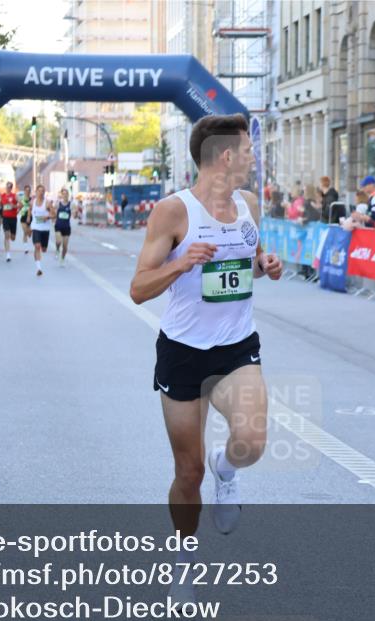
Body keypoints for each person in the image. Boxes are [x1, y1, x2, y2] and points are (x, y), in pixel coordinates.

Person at [129, 114, 281, 583]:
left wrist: (266, 265)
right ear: (227, 156)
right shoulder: (173, 212)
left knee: (251, 443)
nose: (254, 158)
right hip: (183, 351)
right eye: (249, 150)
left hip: (236, 346)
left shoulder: (248, 204)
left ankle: (226, 469)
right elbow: (138, 288)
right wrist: (180, 265)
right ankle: (184, 562)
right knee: (188, 473)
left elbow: (249, 265)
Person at [29, 184, 52, 276]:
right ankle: (39, 268)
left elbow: (54, 214)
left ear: (44, 192)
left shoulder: (47, 203)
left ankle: (42, 250)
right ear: (36, 192)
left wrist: (48, 217)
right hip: (36, 227)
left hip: (45, 229)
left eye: (42, 191)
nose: (41, 192)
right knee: (37, 246)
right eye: (39, 191)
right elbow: (29, 210)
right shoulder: (32, 202)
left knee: (44, 249)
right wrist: (28, 218)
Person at [54, 188, 73, 265]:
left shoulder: (71, 204)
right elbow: (54, 212)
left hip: (66, 227)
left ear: (68, 195)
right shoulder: (58, 203)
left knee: (65, 246)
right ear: (61, 195)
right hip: (58, 225)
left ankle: (62, 259)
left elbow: (74, 214)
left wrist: (75, 213)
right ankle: (57, 249)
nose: (65, 195)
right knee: (59, 241)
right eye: (63, 194)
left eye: (66, 194)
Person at [0, 182, 18, 262]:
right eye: (7, 187)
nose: (8, 188)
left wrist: (14, 206)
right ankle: (8, 254)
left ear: (11, 188)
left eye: (9, 187)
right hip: (5, 218)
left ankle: (10, 238)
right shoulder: (2, 196)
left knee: (13, 238)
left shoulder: (14, 196)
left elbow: (21, 204)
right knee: (7, 235)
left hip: (13, 218)